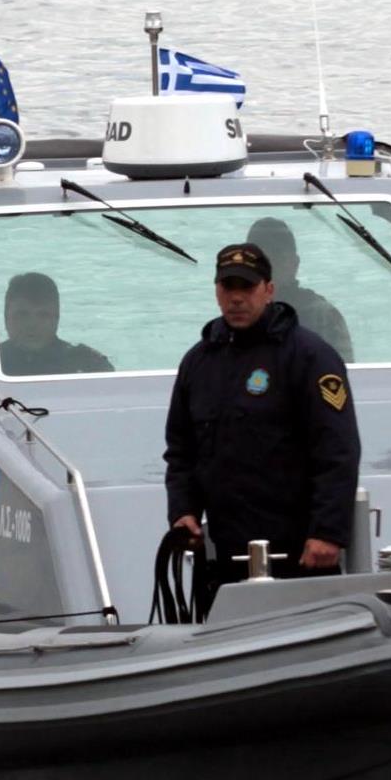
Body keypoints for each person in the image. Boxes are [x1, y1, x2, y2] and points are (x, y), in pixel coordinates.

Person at [164, 241, 362, 616]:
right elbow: (181, 450)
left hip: (301, 552)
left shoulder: (311, 357)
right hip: (227, 551)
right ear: (217, 291)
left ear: (269, 290)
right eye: (228, 287)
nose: (237, 298)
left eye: (247, 287)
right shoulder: (198, 362)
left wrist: (328, 532)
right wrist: (183, 510)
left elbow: (338, 450)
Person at [245, 215, 357, 362]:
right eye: (260, 260)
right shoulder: (237, 313)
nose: (269, 267)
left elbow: (341, 375)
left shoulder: (322, 316)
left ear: (294, 264)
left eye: (277, 257)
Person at [0, 272, 113, 375]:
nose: (32, 324)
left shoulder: (90, 366)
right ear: (6, 317)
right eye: (22, 314)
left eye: (43, 315)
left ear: (56, 318)